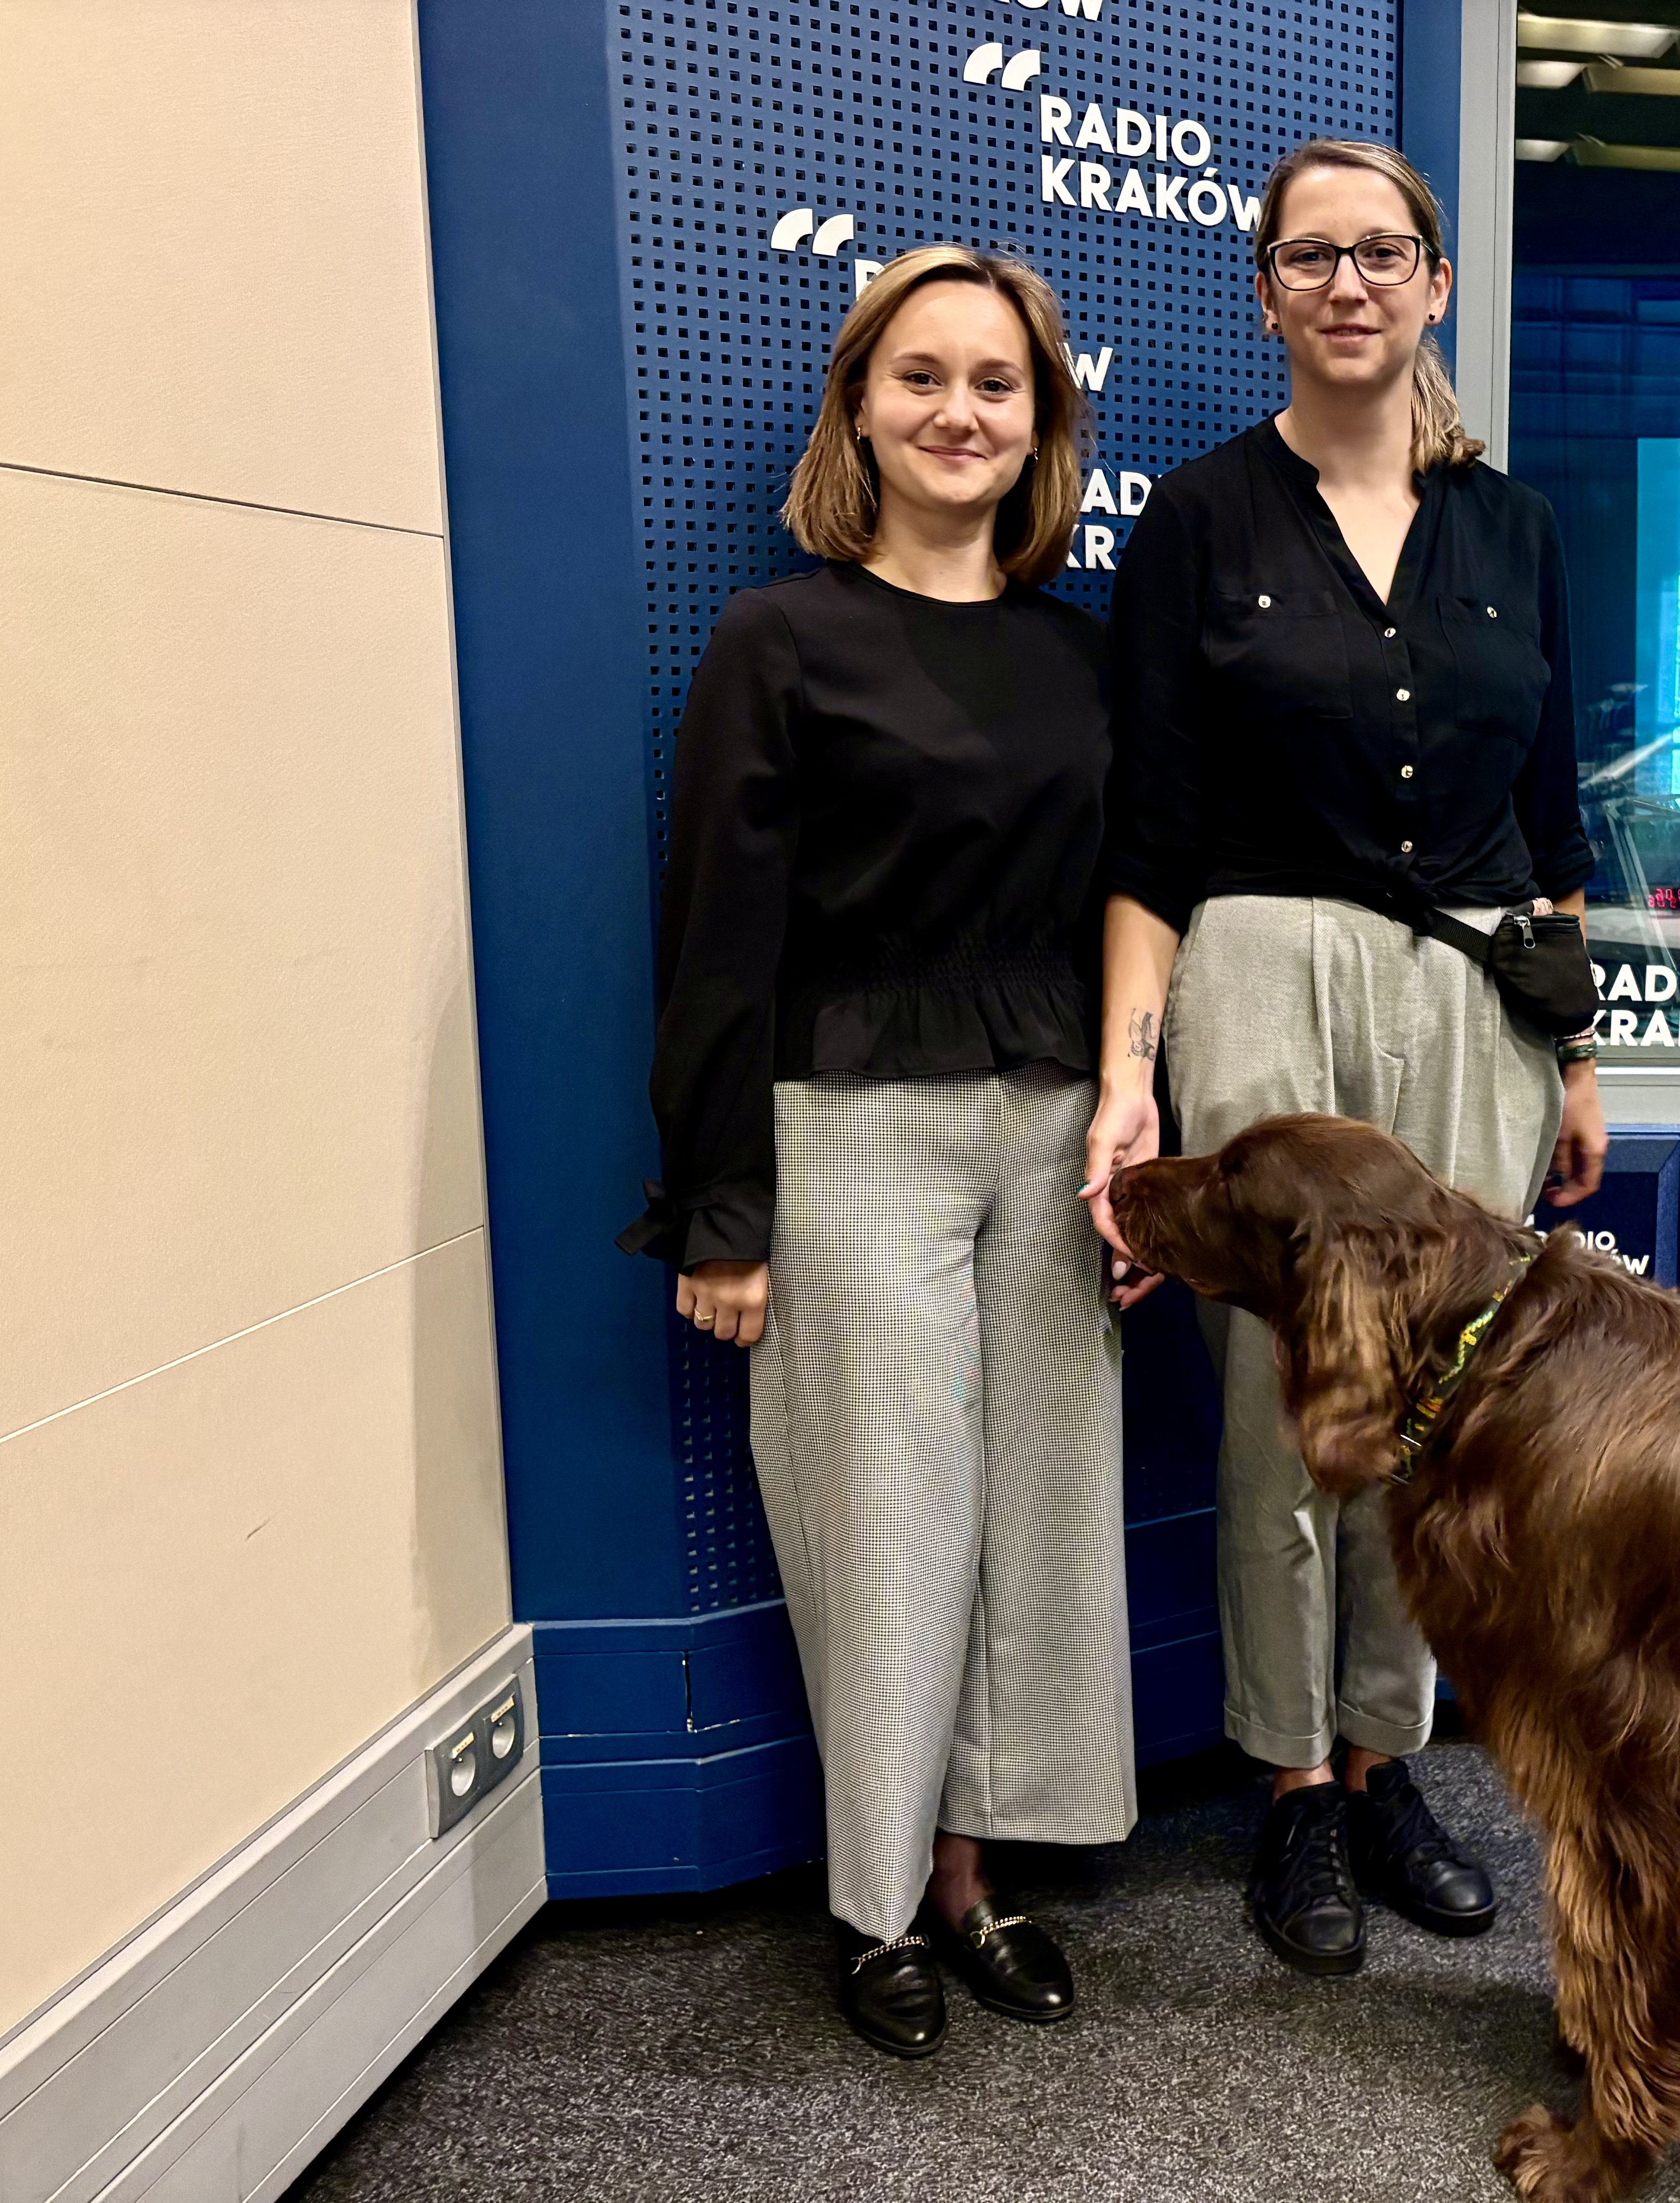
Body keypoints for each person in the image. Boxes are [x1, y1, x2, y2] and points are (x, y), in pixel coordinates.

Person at [1082, 139, 1607, 1978]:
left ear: (1436, 281)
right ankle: (1291, 1779)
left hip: (1473, 989)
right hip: (1263, 974)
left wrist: (1585, 1061)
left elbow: (1554, 828)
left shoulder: (1517, 528)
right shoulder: (1203, 520)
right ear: (1268, 295)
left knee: (1444, 1396)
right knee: (1276, 1400)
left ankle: (1393, 1754)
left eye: (1383, 252)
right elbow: (1148, 833)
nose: (1350, 285)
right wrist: (1132, 1072)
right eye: (1311, 258)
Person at [622, 246, 1132, 2056]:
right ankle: (877, 1901)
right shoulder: (783, 638)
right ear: (860, 405)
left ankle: (980, 1879)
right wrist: (722, 1213)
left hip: (1054, 1123)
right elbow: (717, 940)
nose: (959, 413)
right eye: (922, 377)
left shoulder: (1085, 656)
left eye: (997, 385)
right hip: (851, 1133)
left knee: (1038, 1519)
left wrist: (1134, 1149)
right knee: (883, 1526)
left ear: (1042, 423)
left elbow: (1133, 915)